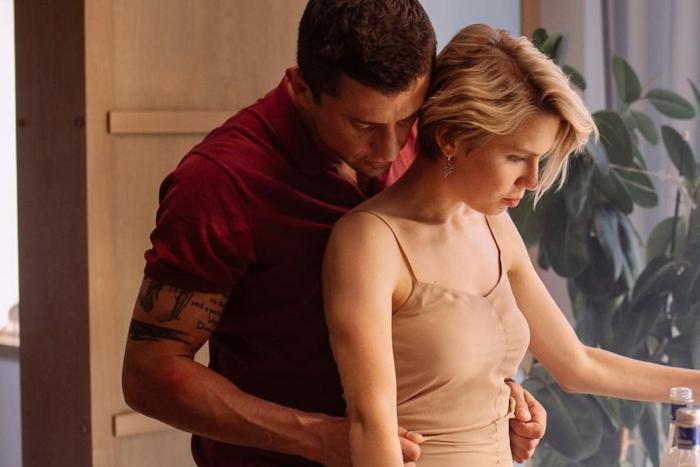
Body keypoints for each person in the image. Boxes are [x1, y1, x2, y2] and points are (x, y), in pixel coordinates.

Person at [121, 2, 546, 466]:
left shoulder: (428, 140)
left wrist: (490, 398)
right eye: (363, 125)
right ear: (302, 88)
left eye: (408, 119)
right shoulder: (220, 183)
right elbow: (149, 375)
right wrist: (317, 437)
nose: (391, 148)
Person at [322, 22, 700, 467]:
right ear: (451, 139)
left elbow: (577, 364)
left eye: (540, 159)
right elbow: (371, 427)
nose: (533, 179)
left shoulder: (492, 223)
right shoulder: (370, 243)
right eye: (517, 157)